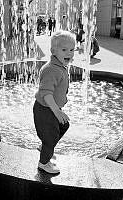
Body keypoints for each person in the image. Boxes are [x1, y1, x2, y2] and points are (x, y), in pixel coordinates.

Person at [33, 30, 76, 174]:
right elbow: (46, 93)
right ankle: (43, 163)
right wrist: (56, 111)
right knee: (50, 136)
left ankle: (45, 147)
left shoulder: (59, 66)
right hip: (46, 109)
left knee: (63, 125)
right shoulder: (52, 69)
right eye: (64, 50)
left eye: (72, 50)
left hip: (51, 108)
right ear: (53, 51)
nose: (69, 53)